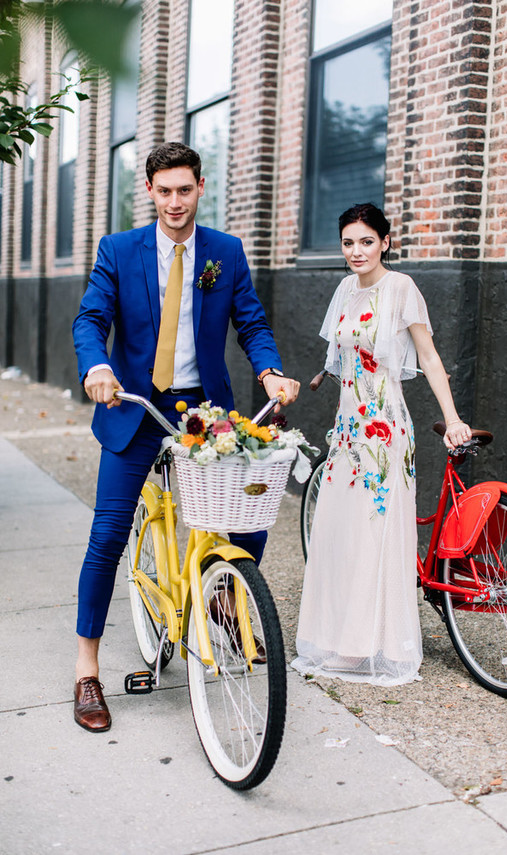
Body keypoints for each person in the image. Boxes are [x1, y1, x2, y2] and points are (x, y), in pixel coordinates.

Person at [72, 142, 299, 732]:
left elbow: (249, 320)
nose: (175, 202)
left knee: (250, 504)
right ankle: (85, 668)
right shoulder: (118, 250)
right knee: (108, 534)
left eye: (185, 189)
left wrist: (270, 369)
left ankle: (225, 592)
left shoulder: (224, 251)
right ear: (149, 191)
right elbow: (91, 318)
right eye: (164, 190)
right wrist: (97, 366)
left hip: (203, 412)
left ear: (202, 187)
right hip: (135, 405)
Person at [291, 203, 471, 687]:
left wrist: (451, 418)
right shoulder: (345, 290)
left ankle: (378, 644)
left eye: (366, 241)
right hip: (348, 431)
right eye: (348, 242)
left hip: (385, 429)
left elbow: (429, 359)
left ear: (385, 242)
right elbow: (339, 358)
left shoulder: (401, 289)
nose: (356, 251)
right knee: (340, 530)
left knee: (377, 530)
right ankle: (345, 639)